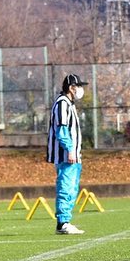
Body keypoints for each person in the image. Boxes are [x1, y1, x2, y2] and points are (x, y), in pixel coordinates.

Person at [47, 74, 87, 235]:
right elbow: (61, 130)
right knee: (66, 187)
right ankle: (62, 222)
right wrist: (69, 149)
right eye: (78, 86)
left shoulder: (69, 104)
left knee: (72, 188)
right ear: (71, 88)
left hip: (74, 155)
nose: (81, 90)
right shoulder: (62, 104)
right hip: (66, 155)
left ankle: (65, 221)